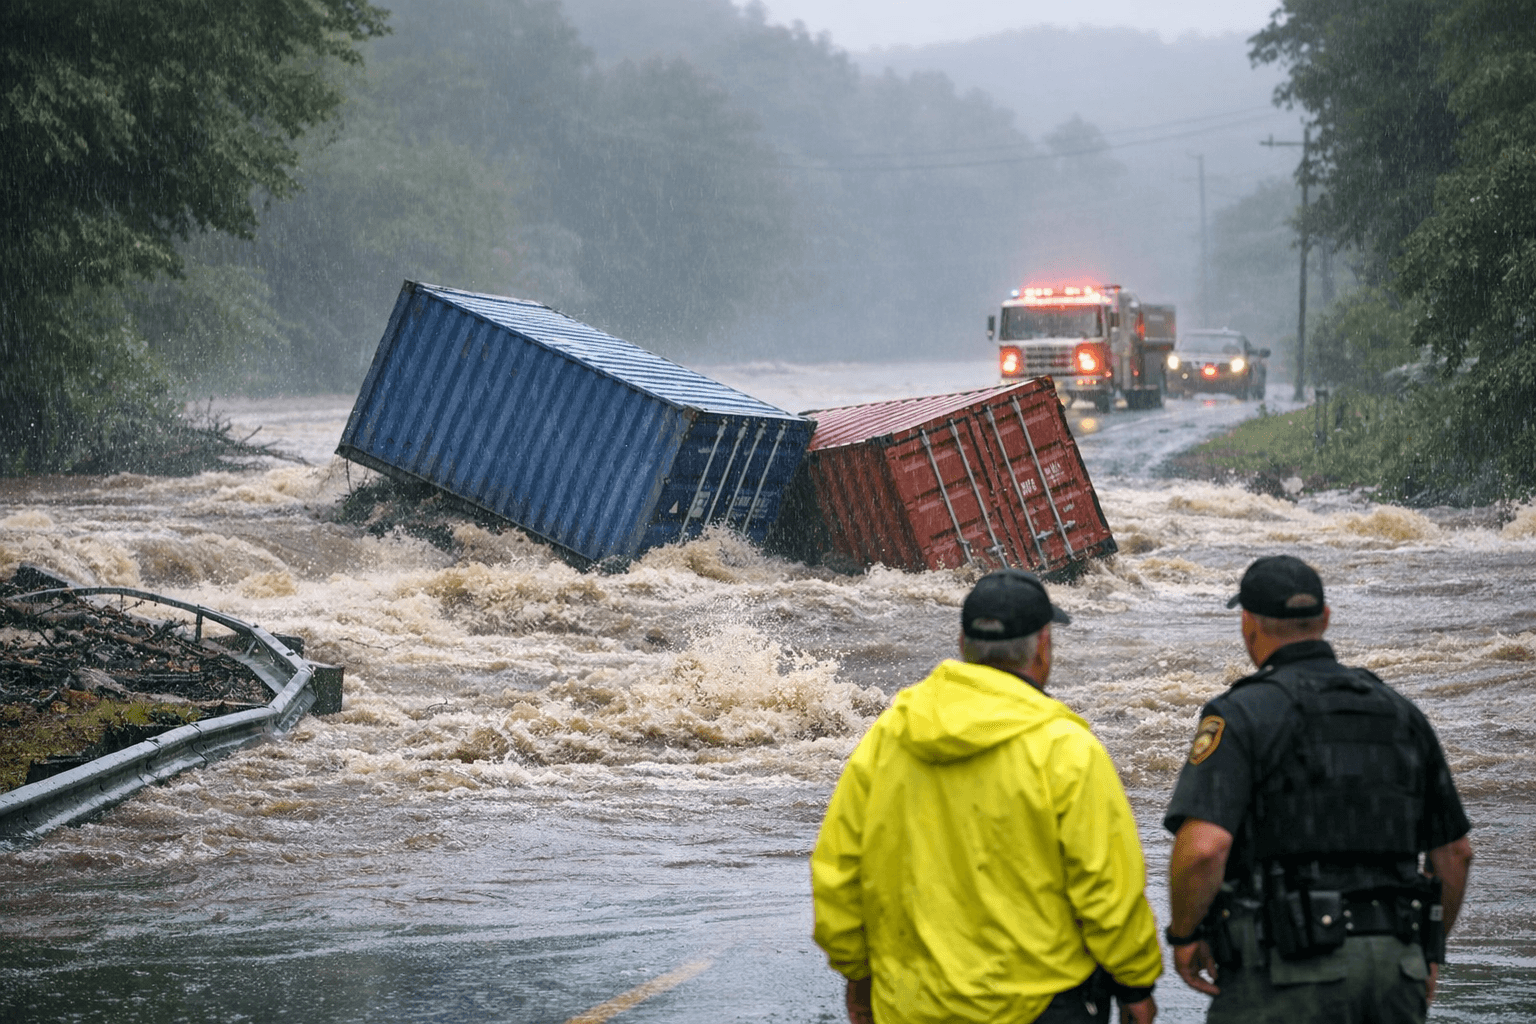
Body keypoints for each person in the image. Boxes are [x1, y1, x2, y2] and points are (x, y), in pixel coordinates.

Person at [811, 568, 1162, 1024]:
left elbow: (838, 873)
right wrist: (1135, 983)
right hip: (1040, 1006)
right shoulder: (1065, 747)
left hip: (910, 1006)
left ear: (962, 643)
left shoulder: (889, 736)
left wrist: (859, 977)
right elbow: (1106, 887)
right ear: (1043, 646)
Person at [1163, 555, 1474, 1022]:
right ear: (1325, 619)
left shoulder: (1241, 714)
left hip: (1282, 974)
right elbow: (1455, 855)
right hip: (1392, 973)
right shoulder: (1399, 712)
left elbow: (1204, 850)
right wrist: (1423, 953)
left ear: (1247, 624)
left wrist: (1184, 936)